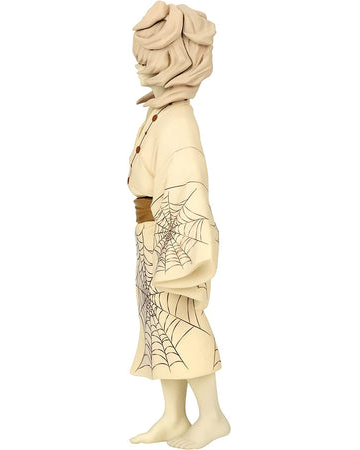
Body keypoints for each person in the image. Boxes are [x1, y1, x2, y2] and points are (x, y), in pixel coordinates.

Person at [126, 2, 230, 448]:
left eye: (149, 55)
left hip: (171, 235)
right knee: (159, 326)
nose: (139, 63)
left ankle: (213, 416)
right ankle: (174, 415)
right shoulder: (160, 113)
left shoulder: (179, 122)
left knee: (183, 322)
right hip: (151, 232)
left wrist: (179, 247)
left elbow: (189, 185)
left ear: (179, 59)